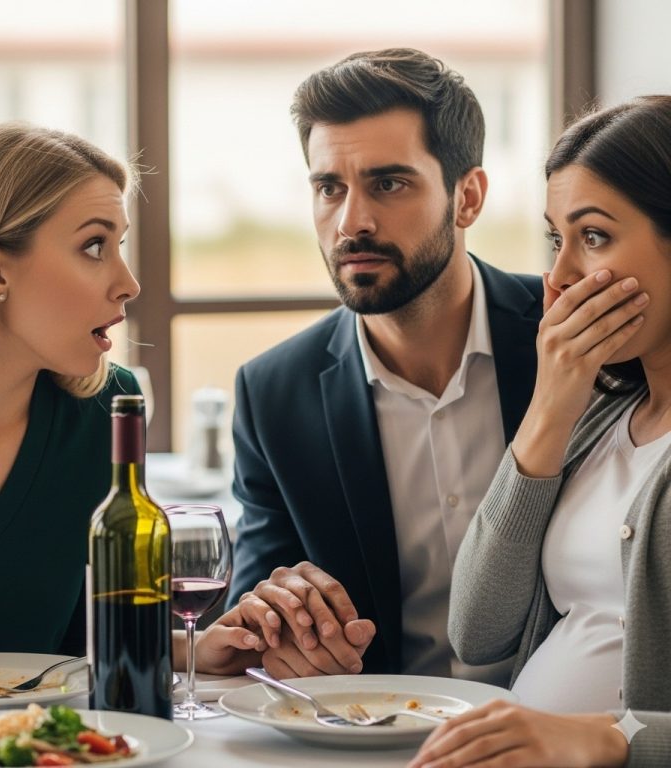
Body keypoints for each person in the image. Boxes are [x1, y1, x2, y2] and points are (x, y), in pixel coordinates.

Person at [0, 122, 275, 674]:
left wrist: (198, 649)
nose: (129, 282)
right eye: (94, 246)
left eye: (119, 245)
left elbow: (86, 634)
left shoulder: (110, 408)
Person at [226, 48, 543, 680]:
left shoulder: (565, 335)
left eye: (388, 183)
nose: (352, 222)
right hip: (378, 733)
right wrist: (277, 622)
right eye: (328, 188)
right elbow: (256, 606)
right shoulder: (274, 394)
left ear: (468, 197)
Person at [410, 95, 671, 768]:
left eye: (594, 237)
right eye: (557, 239)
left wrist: (609, 740)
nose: (556, 278)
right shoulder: (603, 420)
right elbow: (477, 630)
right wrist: (552, 410)